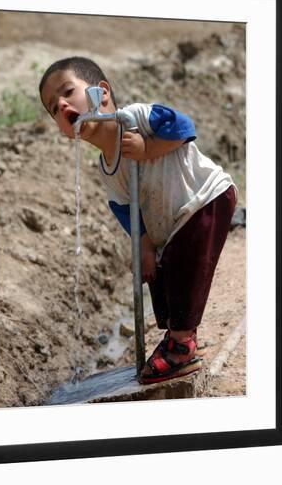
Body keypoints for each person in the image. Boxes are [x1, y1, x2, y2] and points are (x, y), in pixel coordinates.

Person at [39, 56, 237, 384]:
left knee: (186, 265)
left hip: (205, 198)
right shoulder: (107, 167)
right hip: (172, 220)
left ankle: (181, 345)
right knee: (160, 269)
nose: (61, 105)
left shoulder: (137, 117)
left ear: (101, 93)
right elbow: (125, 208)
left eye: (68, 92)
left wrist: (148, 148)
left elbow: (184, 126)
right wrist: (143, 245)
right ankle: (179, 334)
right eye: (52, 108)